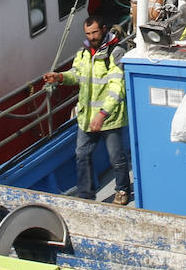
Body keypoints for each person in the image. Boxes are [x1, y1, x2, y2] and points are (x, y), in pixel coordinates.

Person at [43, 15, 131, 205]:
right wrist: (59, 77)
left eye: (95, 32)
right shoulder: (83, 52)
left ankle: (123, 190)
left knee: (116, 157)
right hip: (86, 117)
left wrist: (102, 114)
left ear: (104, 29)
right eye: (88, 33)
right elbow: (76, 75)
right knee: (82, 154)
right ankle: (86, 195)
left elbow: (117, 88)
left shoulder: (116, 53)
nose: (91, 37)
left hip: (109, 117)